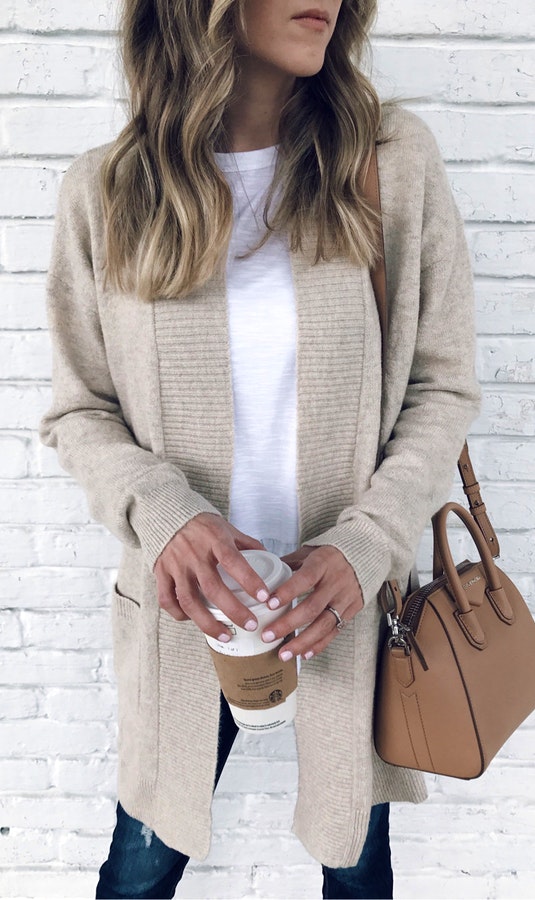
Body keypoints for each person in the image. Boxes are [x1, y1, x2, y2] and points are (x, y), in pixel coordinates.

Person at [39, 1, 481, 897]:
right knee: (139, 865)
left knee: (357, 871)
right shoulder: (105, 190)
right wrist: (164, 518)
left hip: (347, 608)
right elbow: (78, 410)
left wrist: (368, 544)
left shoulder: (388, 165)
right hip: (186, 612)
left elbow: (443, 388)